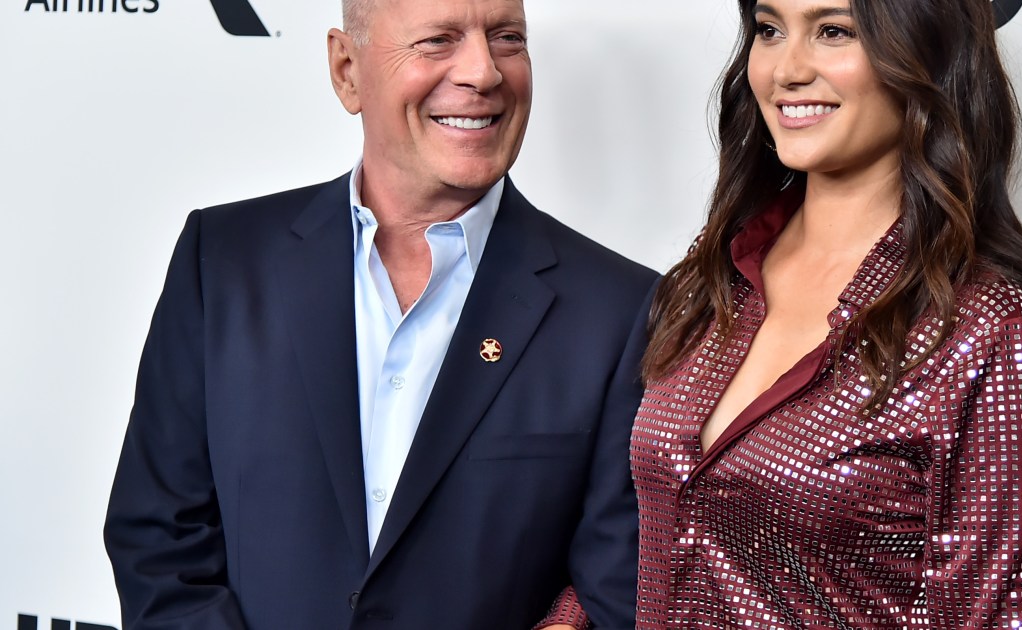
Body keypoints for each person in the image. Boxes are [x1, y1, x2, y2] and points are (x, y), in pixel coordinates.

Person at [103, 0, 655, 628]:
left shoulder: (621, 311)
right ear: (347, 70)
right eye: (438, 40)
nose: (484, 72)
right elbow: (161, 542)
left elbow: (618, 592)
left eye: (507, 38)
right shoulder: (224, 260)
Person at [631, 0, 1022, 627]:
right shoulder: (713, 273)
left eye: (834, 31)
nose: (787, 70)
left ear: (928, 53)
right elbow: (657, 525)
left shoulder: (989, 329)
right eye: (770, 30)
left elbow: (1002, 616)